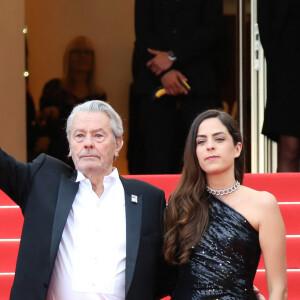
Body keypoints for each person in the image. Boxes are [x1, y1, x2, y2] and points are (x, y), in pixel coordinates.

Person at [0, 100, 172, 300]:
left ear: (118, 144)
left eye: (98, 135)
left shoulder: (149, 198)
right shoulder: (43, 182)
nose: (88, 143)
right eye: (79, 136)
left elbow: (163, 274)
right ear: (70, 145)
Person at [164, 109, 287, 299]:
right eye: (201, 141)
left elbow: (279, 290)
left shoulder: (263, 204)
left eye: (219, 139)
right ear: (195, 152)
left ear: (237, 148)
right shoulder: (180, 203)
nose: (210, 146)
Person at [128, 0, 225, 174]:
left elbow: (213, 28)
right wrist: (165, 72)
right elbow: (143, 30)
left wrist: (173, 56)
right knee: (156, 157)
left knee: (202, 157)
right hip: (154, 79)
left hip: (198, 81)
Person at [37, 36, 106, 165]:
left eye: (87, 53)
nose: (82, 57)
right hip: (54, 156)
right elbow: (41, 123)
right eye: (76, 52)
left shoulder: (98, 95)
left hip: (86, 157)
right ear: (68, 57)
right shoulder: (53, 88)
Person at [258, 0, 300, 171]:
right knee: (290, 148)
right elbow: (266, 25)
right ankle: (287, 197)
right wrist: (279, 69)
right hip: (289, 73)